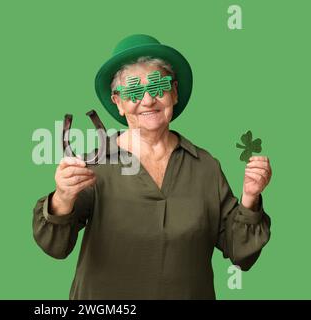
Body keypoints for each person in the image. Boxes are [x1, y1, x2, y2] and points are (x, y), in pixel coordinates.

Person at [32, 34, 272, 299]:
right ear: (118, 103)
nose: (147, 101)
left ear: (174, 92)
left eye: (158, 86)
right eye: (133, 91)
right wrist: (62, 197)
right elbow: (55, 246)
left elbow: (241, 253)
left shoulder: (206, 167)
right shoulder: (94, 165)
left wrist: (250, 198)